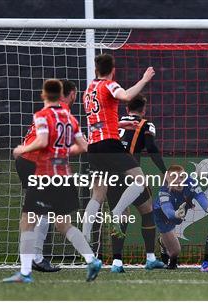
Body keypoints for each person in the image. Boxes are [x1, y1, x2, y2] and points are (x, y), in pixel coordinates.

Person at [4, 79, 102, 283]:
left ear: (43, 95)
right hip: (62, 175)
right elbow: (83, 146)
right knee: (62, 222)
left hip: (40, 170)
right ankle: (90, 258)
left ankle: (29, 267)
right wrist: (62, 153)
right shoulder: (69, 117)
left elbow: (41, 142)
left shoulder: (42, 115)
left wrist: (21, 149)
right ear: (68, 94)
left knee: (29, 219)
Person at [81, 54, 163, 270]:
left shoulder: (88, 90)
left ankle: (85, 237)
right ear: (112, 69)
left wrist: (118, 124)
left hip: (93, 147)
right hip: (109, 144)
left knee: (97, 194)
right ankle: (117, 212)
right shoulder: (109, 84)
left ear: (96, 68)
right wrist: (145, 79)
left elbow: (100, 117)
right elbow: (125, 96)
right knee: (139, 180)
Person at [14, 79, 77, 273]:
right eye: (75, 93)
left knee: (36, 211)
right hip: (35, 161)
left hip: (25, 161)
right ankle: (36, 258)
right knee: (43, 210)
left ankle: (30, 256)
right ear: (71, 94)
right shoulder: (63, 111)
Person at [107, 94, 167, 273]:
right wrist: (164, 171)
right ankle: (150, 258)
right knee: (148, 211)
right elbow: (151, 147)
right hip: (130, 174)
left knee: (121, 215)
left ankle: (117, 262)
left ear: (127, 109)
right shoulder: (145, 124)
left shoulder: (115, 123)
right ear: (144, 109)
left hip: (110, 175)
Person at [153, 165, 208, 269]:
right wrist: (175, 214)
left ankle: (165, 240)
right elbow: (168, 212)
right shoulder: (164, 192)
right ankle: (165, 247)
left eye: (181, 177)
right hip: (163, 216)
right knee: (175, 251)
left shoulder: (191, 182)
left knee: (177, 222)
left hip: (180, 209)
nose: (179, 181)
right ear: (169, 179)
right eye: (174, 178)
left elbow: (200, 197)